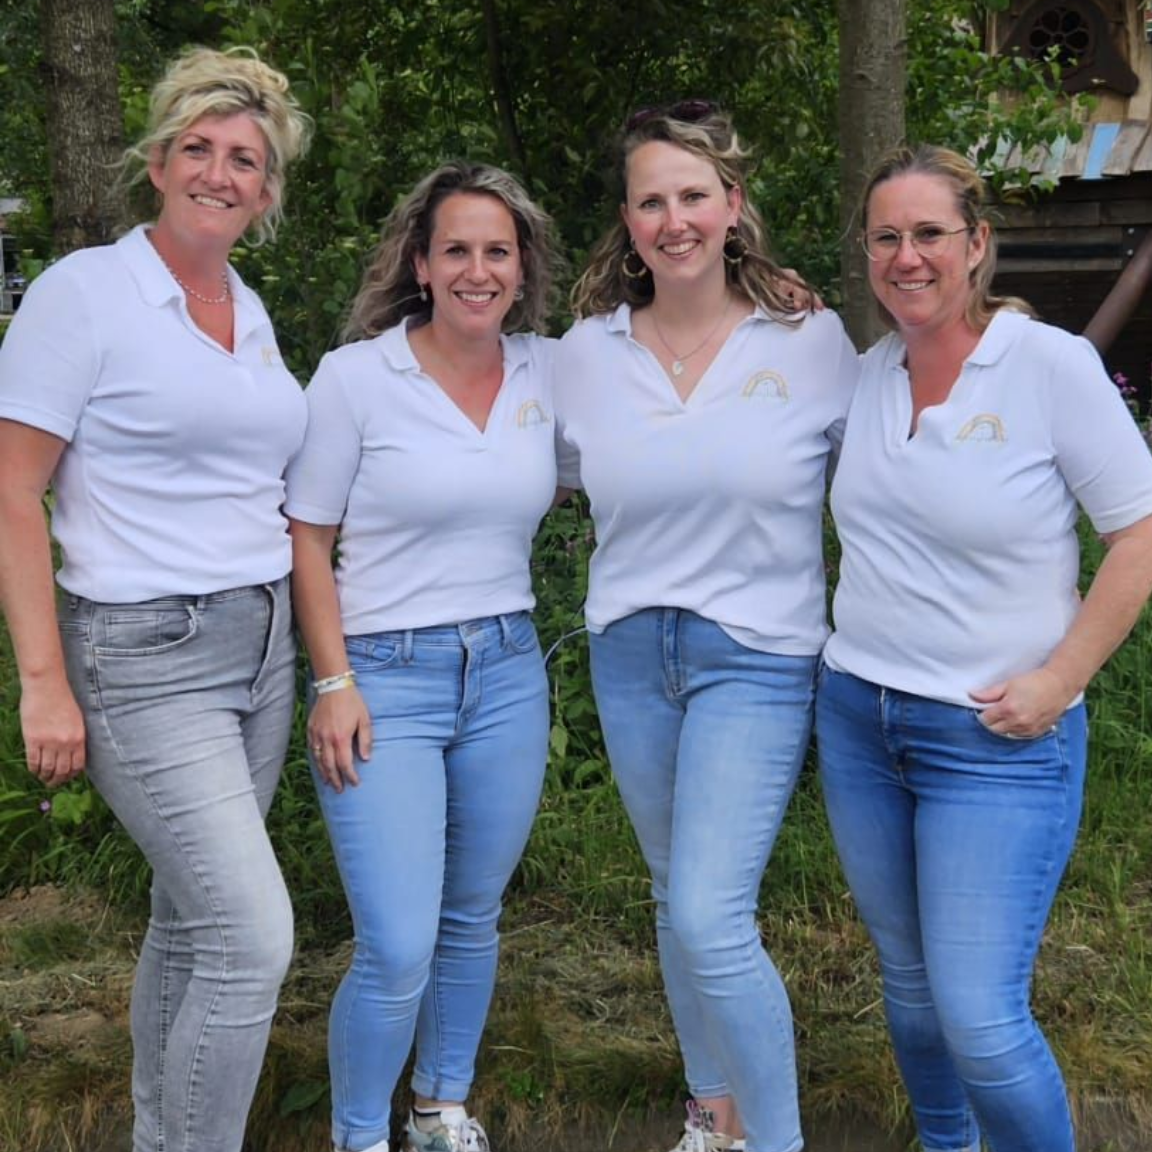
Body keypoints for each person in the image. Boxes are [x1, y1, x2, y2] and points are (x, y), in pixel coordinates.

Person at [0, 47, 311, 1152]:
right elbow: (13, 489)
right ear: (159, 162)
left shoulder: (247, 308)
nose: (220, 173)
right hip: (144, 653)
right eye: (199, 149)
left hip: (262, 644)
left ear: (266, 191)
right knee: (251, 937)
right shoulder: (85, 293)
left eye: (245, 160)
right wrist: (44, 682)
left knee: (189, 924)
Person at [816, 144, 1152, 1152]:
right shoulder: (867, 374)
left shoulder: (1049, 366)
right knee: (912, 993)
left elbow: (1138, 535)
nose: (906, 256)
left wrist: (1062, 676)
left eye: (929, 233)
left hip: (996, 740)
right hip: (860, 722)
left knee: (979, 1017)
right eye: (886, 237)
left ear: (977, 244)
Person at [554, 102, 857, 1152]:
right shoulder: (583, 354)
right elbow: (511, 465)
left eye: (694, 196)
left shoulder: (809, 339)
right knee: (670, 896)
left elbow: (884, 482)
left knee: (708, 914)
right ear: (628, 221)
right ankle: (710, 1119)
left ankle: (776, 1142)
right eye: (652, 202)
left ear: (732, 205)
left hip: (758, 657)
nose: (673, 220)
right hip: (630, 650)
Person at [285, 161, 558, 1152]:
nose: (478, 271)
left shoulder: (549, 371)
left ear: (522, 268)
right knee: (398, 940)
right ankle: (358, 1137)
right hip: (382, 677)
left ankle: (440, 1111)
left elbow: (667, 372)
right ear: (422, 263)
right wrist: (333, 682)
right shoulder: (357, 377)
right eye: (457, 251)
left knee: (470, 916)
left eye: (498, 252)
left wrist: (763, 295)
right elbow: (307, 537)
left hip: (508, 671)